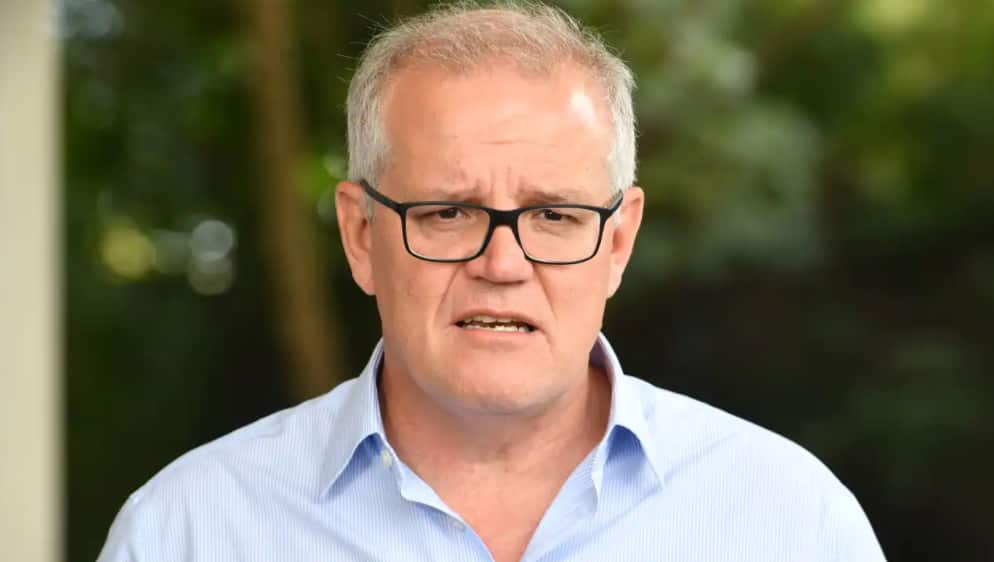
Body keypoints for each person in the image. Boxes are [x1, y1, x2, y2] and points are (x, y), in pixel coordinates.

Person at [98, 2, 885, 561]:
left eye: (554, 217)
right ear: (361, 235)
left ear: (618, 240)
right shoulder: (189, 531)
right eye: (446, 213)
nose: (502, 265)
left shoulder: (789, 522)